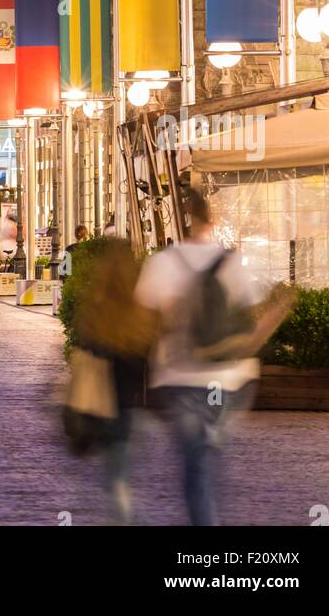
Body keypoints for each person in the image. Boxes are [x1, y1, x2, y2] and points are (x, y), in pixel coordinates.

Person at [134, 189, 278, 527]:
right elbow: (252, 315)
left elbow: (143, 321)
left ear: (179, 221)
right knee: (208, 451)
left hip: (180, 376)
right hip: (232, 377)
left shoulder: (161, 262)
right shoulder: (233, 261)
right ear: (210, 222)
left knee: (195, 466)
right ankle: (213, 432)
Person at [72, 238, 155, 523]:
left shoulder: (96, 308)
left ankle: (127, 520)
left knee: (115, 481)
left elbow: (83, 349)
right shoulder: (140, 309)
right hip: (128, 404)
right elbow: (147, 357)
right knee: (119, 477)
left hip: (98, 403)